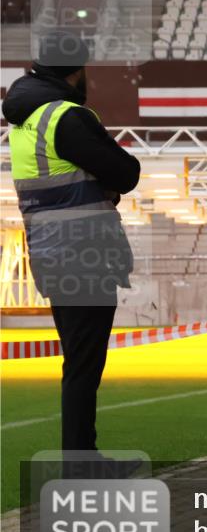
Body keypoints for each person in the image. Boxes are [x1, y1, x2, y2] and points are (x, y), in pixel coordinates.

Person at [3, 30, 140, 469]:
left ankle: (83, 458)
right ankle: (81, 462)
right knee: (84, 366)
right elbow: (126, 173)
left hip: (52, 253)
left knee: (79, 362)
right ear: (77, 71)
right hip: (86, 253)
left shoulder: (25, 122)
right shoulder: (66, 117)